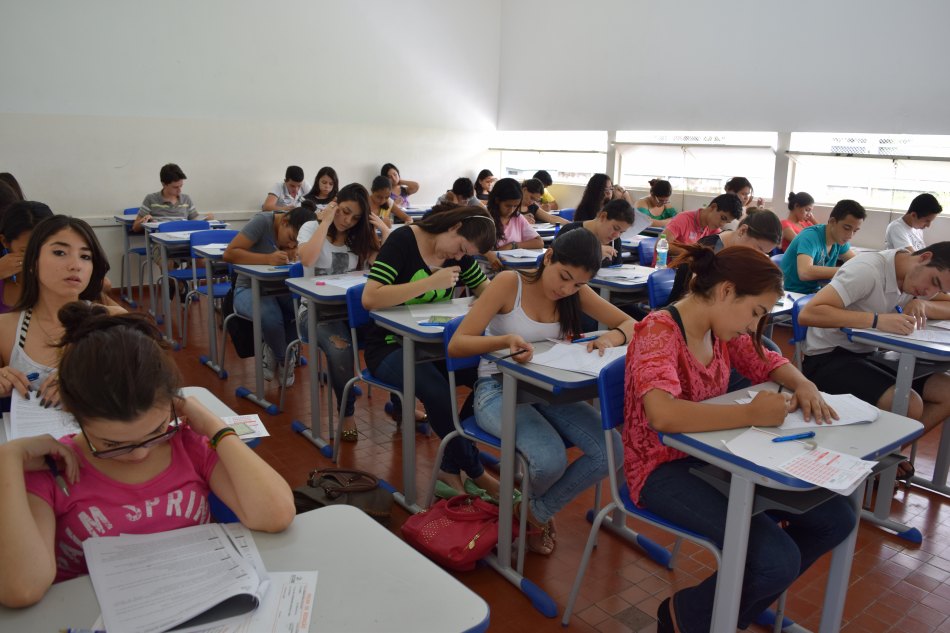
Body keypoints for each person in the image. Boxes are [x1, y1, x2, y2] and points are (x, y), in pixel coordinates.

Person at [623, 243, 855, 633]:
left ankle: (726, 609)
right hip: (660, 469)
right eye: (756, 312)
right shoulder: (659, 331)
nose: (753, 325)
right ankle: (691, 615)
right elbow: (662, 414)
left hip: (715, 454)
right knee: (776, 561)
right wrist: (749, 414)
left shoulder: (721, 328)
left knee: (837, 519)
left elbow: (768, 361)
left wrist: (805, 384)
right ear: (727, 291)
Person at [0, 302, 295, 606]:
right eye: (112, 444)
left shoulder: (186, 444)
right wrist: (8, 458)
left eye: (156, 431)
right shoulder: (54, 469)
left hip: (191, 603)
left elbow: (276, 514)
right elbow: (21, 589)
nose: (140, 454)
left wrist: (212, 425)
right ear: (75, 416)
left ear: (173, 403)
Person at [449, 229, 634, 554]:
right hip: (497, 390)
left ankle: (532, 512)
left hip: (547, 391)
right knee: (549, 460)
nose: (566, 289)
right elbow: (457, 343)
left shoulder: (576, 292)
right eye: (564, 277)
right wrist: (504, 341)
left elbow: (632, 325)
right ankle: (532, 514)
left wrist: (610, 338)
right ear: (548, 257)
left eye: (577, 284)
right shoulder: (510, 283)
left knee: (612, 450)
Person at [361, 207, 500, 495]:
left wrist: (485, 300)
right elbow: (370, 298)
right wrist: (430, 283)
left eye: (465, 254)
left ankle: (450, 466)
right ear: (454, 226)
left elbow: (488, 291)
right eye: (461, 248)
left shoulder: (457, 253)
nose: (459, 257)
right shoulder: (403, 240)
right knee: (438, 393)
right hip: (388, 346)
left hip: (435, 348)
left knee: (488, 376)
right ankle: (475, 471)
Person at [799, 243, 950, 440]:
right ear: (924, 257)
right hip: (827, 358)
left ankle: (889, 453)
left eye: (939, 289)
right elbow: (809, 313)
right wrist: (876, 320)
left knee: (947, 392)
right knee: (909, 404)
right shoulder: (867, 270)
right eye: (934, 282)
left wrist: (923, 304)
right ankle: (882, 453)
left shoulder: (913, 277)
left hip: (868, 355)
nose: (929, 292)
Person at [0, 215, 123, 409]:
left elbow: (153, 392)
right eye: (60, 252)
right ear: (32, 262)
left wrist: (88, 386)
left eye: (85, 256)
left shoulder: (115, 320)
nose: (75, 265)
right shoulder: (5, 328)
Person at [296, 184, 385, 441]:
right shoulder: (311, 227)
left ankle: (402, 405)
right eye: (344, 211)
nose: (347, 221)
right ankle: (346, 412)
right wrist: (325, 221)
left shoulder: (358, 236)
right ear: (335, 203)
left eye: (355, 217)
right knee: (340, 348)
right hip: (315, 312)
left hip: (351, 312)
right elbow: (307, 260)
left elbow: (382, 265)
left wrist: (385, 230)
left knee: (393, 338)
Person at [222, 206, 315, 387]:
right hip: (248, 288)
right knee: (271, 317)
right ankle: (284, 358)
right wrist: (266, 259)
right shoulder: (262, 222)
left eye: (297, 243)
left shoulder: (294, 238)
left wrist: (295, 252)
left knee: (300, 309)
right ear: (285, 221)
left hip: (281, 290)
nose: (292, 245)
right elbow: (229, 253)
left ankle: (274, 348)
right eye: (291, 239)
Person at [668, 208, 782, 305]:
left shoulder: (741, 253)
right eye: (758, 249)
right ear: (742, 231)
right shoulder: (709, 249)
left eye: (764, 253)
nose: (759, 257)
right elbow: (697, 299)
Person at [780, 199, 864, 294]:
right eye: (846, 228)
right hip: (792, 293)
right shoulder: (810, 236)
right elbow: (804, 272)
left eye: (855, 230)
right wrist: (845, 270)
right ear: (832, 221)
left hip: (815, 292)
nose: (850, 235)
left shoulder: (840, 241)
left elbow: (857, 264)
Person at [0, 201, 54, 313]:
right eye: (26, 251)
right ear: (5, 242)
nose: (37, 257)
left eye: (45, 249)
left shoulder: (64, 283)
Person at [660, 193, 744, 262]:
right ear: (713, 207)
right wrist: (690, 254)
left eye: (727, 222)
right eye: (723, 218)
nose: (722, 224)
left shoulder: (714, 229)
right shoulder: (683, 219)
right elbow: (661, 244)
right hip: (665, 269)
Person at [483, 178, 543, 272]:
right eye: (508, 206)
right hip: (487, 271)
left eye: (515, 206)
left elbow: (539, 242)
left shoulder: (517, 218)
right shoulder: (483, 216)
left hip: (513, 270)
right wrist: (488, 254)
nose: (511, 210)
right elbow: (469, 244)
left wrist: (513, 245)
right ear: (497, 200)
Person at [133, 163, 211, 232]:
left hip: (184, 239)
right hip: (160, 242)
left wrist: (206, 218)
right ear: (164, 184)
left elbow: (195, 222)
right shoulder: (151, 199)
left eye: (181, 186)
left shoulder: (186, 199)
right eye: (175, 187)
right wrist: (143, 221)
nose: (179, 190)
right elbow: (135, 228)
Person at [558, 198, 635, 267]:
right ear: (603, 216)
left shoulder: (615, 241)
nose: (616, 235)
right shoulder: (570, 232)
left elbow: (616, 270)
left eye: (621, 232)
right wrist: (593, 253)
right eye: (615, 228)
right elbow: (558, 265)